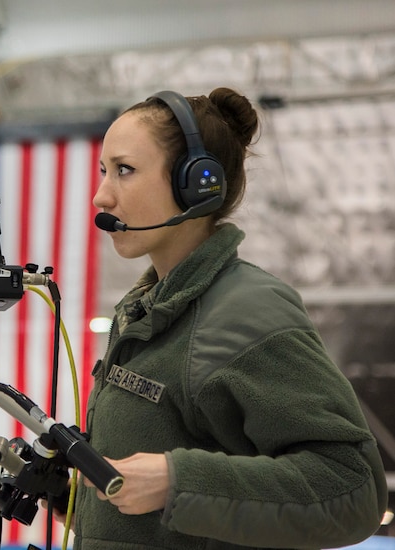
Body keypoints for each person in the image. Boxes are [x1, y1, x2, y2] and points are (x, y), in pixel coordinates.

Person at [73, 88, 388, 549]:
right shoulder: (150, 307)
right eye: (104, 171)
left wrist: (175, 481)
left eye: (125, 171)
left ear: (194, 184)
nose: (101, 195)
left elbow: (351, 488)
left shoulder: (245, 313)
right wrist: (88, 500)